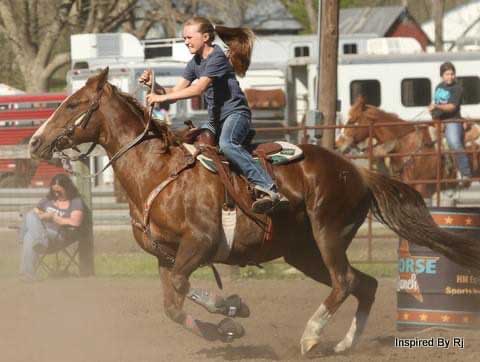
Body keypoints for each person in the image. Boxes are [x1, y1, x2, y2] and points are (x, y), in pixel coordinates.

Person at [139, 16, 287, 214]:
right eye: (184, 38)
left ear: (206, 37)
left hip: (236, 115)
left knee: (227, 144)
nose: (186, 41)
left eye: (189, 37)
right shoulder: (194, 63)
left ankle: (270, 188)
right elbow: (173, 94)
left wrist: (158, 97)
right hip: (215, 120)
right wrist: (154, 87)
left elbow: (198, 89)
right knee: (187, 146)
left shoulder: (216, 58)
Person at [19, 174, 84, 281]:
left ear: (67, 188)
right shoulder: (48, 199)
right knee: (30, 216)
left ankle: (27, 273)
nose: (56, 193)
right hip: (42, 233)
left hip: (59, 236)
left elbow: (75, 222)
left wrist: (53, 217)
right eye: (54, 191)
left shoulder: (75, 201)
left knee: (29, 235)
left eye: (59, 191)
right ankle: (40, 242)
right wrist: (43, 216)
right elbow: (36, 212)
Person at [429, 61, 472, 181]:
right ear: (442, 75)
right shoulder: (439, 87)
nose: (450, 76)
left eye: (452, 74)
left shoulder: (457, 88)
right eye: (447, 74)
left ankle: (465, 172)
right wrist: (433, 114)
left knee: (454, 142)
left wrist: (436, 107)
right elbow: (436, 103)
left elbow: (452, 107)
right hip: (438, 120)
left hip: (453, 120)